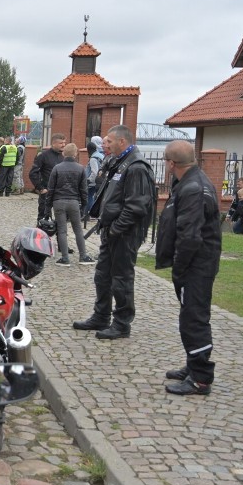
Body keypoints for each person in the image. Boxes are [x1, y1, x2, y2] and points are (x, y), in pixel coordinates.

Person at [72, 125, 156, 340]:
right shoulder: (116, 161)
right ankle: (101, 316)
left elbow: (137, 206)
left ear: (122, 142)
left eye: (109, 141)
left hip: (125, 233)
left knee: (122, 279)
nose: (104, 144)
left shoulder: (136, 166)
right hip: (111, 230)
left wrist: (117, 228)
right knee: (102, 275)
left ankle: (121, 324)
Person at [155, 140, 221, 395]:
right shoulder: (192, 181)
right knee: (190, 316)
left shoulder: (193, 188)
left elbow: (190, 236)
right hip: (197, 263)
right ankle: (193, 365)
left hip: (196, 266)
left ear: (171, 163)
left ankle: (201, 378)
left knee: (194, 319)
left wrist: (179, 269)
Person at [46, 143, 95, 266]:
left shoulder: (57, 168)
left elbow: (50, 188)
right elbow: (84, 189)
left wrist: (48, 205)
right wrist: (84, 205)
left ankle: (65, 258)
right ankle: (83, 256)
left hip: (58, 201)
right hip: (74, 202)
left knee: (62, 230)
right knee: (78, 229)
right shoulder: (80, 168)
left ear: (63, 153)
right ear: (76, 154)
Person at [29, 133, 66, 220]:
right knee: (44, 217)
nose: (63, 145)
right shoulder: (43, 156)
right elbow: (33, 173)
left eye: (64, 142)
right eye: (61, 143)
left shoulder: (64, 157)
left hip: (60, 192)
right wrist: (40, 188)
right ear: (53, 143)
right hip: (46, 190)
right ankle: (42, 232)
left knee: (61, 217)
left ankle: (60, 233)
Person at [85, 136, 104, 215]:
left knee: (89, 197)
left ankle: (89, 213)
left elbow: (94, 171)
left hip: (92, 182)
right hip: (100, 180)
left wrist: (89, 180)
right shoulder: (101, 155)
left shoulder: (93, 158)